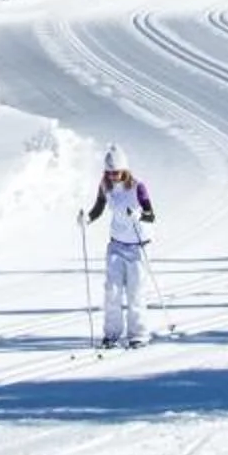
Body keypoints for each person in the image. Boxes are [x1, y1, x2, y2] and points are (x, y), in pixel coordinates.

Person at [84, 144, 157, 347]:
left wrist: (139, 215)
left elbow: (151, 216)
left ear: (124, 170)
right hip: (116, 245)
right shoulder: (105, 186)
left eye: (116, 172)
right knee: (112, 292)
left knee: (135, 292)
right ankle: (112, 334)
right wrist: (87, 219)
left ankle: (139, 334)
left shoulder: (137, 186)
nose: (113, 176)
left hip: (138, 246)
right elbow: (98, 208)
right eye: (109, 173)